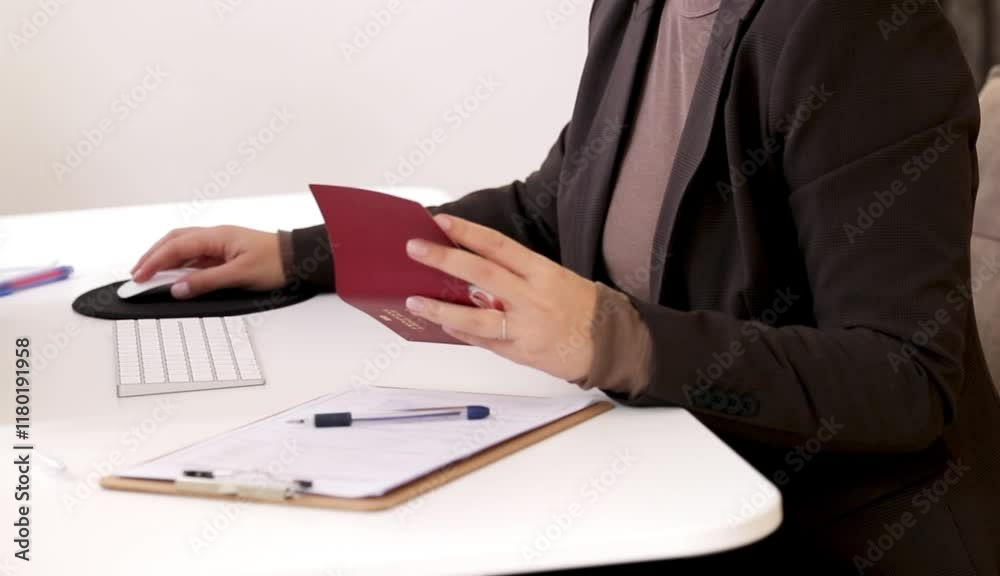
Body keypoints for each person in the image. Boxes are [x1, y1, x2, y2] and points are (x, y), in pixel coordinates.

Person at [132, 0, 1000, 572]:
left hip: (824, 525)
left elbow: (905, 379)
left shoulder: (858, 25)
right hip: (666, 471)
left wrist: (616, 339)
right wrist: (302, 254)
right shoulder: (638, 9)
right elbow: (551, 208)